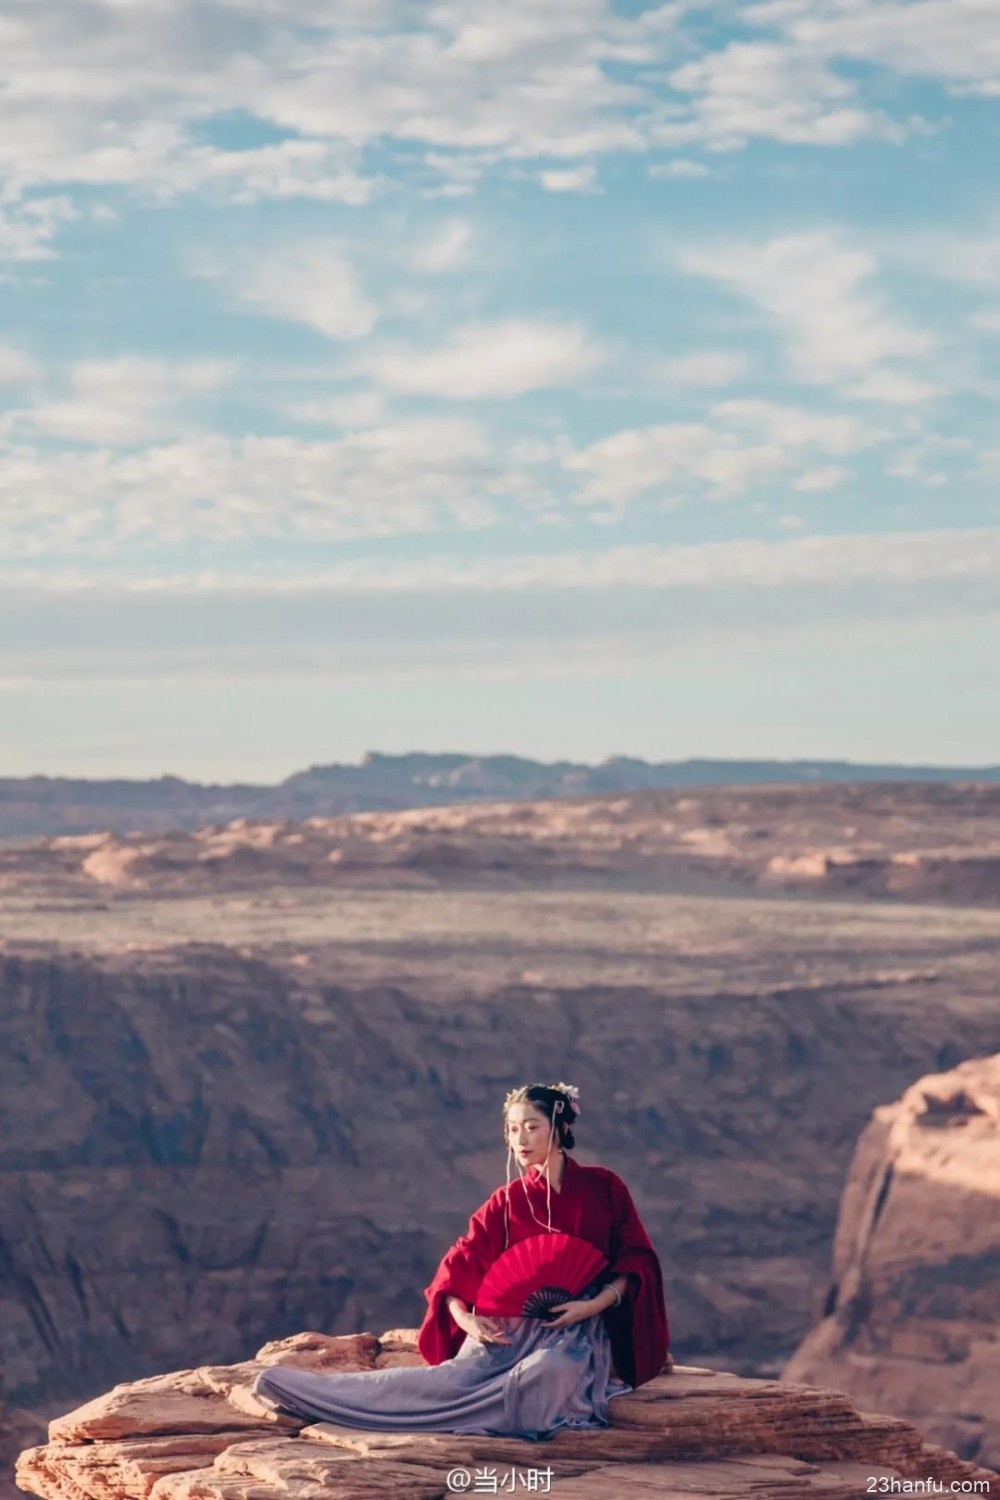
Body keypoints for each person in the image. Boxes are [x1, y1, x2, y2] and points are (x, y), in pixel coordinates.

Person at [251, 1081, 671, 1440]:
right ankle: (313, 1393)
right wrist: (467, 1320)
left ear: (559, 1128)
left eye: (531, 1127)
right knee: (449, 1380)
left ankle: (459, 1412)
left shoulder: (604, 1188)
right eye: (511, 1130)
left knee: (548, 1372)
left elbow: (635, 1263)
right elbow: (458, 1268)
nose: (520, 1140)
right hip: (505, 1332)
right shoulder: (505, 1203)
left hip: (573, 1332)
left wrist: (590, 1306)